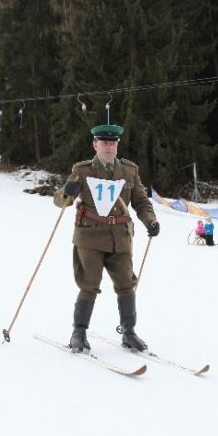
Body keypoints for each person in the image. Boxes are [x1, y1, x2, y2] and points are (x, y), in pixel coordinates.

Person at [53, 123, 160, 353]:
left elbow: (141, 202)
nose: (109, 147)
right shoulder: (82, 170)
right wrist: (66, 192)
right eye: (104, 143)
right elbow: (61, 202)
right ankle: (79, 333)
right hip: (89, 236)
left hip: (120, 237)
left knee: (126, 284)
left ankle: (129, 332)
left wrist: (150, 221)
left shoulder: (129, 171)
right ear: (95, 144)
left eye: (113, 143)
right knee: (89, 285)